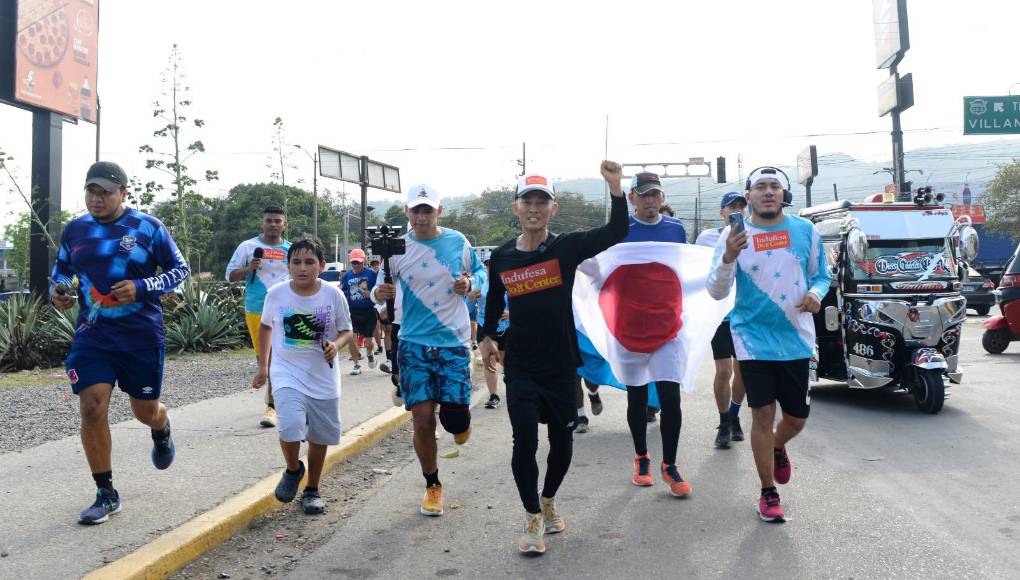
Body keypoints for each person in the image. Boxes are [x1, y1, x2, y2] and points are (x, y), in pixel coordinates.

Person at [479, 163, 628, 555]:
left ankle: (548, 498)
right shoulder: (503, 257)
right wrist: (487, 336)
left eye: (541, 202)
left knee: (561, 442)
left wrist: (615, 187)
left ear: (553, 209)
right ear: (516, 208)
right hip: (523, 366)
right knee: (524, 439)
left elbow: (617, 232)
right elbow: (494, 302)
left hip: (561, 364)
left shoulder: (567, 247)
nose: (534, 208)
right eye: (527, 200)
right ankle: (532, 516)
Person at [51, 161, 190, 525]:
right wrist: (59, 291)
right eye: (90, 191)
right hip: (93, 335)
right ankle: (106, 494)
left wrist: (142, 287)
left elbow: (180, 270)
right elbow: (61, 269)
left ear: (123, 193)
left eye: (104, 192)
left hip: (140, 337)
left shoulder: (149, 227)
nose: (95, 199)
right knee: (92, 407)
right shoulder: (76, 229)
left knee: (145, 412)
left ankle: (161, 427)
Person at [707, 167, 831, 522]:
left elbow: (822, 274)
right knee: (762, 415)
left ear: (783, 194)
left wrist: (815, 293)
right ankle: (767, 492)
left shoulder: (805, 231)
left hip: (796, 338)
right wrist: (729, 256)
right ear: (748, 196)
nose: (768, 192)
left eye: (775, 186)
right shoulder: (734, 235)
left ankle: (778, 446)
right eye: (760, 186)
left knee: (796, 419)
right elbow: (716, 291)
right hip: (751, 337)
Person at [371, 184, 486, 518]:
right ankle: (432, 485)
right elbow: (377, 293)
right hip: (413, 342)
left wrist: (471, 285)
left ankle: (460, 419)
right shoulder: (395, 249)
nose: (421, 217)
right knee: (421, 419)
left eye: (428, 210)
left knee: (452, 420)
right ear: (406, 211)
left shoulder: (457, 242)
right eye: (415, 210)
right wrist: (380, 293)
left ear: (439, 211)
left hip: (452, 341)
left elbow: (480, 273)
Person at [253, 237, 353, 514]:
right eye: (296, 262)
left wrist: (336, 345)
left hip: (323, 376)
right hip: (286, 373)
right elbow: (265, 328)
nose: (302, 268)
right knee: (290, 426)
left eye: (309, 262)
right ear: (288, 265)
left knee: (319, 436)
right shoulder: (276, 294)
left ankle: (312, 488)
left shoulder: (334, 295)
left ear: (321, 265)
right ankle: (294, 468)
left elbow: (347, 330)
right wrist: (263, 367)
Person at [610, 172, 692, 496]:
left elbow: (683, 268)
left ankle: (669, 465)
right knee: (638, 396)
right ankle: (641, 456)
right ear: (632, 197)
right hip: (629, 327)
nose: (650, 200)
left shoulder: (676, 229)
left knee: (671, 397)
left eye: (655, 194)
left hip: (667, 326)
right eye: (643, 195)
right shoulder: (620, 230)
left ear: (663, 197)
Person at [226, 204, 291, 428]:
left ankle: (273, 406)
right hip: (257, 309)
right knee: (265, 360)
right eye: (269, 220)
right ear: (262, 223)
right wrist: (248, 269)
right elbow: (230, 276)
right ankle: (273, 400)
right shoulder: (248, 247)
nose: (273, 224)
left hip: (286, 311)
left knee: (281, 358)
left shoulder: (292, 250)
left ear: (285, 224)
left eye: (278, 221)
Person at [696, 192, 749, 449]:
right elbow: (696, 269)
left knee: (743, 372)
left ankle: (734, 415)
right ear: (722, 212)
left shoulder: (754, 234)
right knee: (724, 370)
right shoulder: (706, 237)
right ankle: (724, 422)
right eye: (732, 206)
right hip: (720, 315)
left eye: (741, 205)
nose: (737, 209)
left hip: (746, 313)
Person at [472, 262, 509, 410]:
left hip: (506, 326)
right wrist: (470, 296)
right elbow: (467, 301)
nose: (490, 267)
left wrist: (510, 313)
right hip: (485, 325)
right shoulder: (480, 283)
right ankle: (494, 395)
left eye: (493, 264)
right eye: (487, 264)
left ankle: (512, 379)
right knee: (490, 359)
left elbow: (520, 302)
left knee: (505, 361)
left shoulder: (508, 280)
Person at [341, 248, 379, 375]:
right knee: (352, 338)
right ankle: (356, 365)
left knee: (369, 343)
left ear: (364, 261)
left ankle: (370, 354)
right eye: (353, 262)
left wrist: (373, 293)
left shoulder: (372, 274)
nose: (356, 265)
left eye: (358, 262)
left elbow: (379, 288)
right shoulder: (347, 276)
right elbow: (344, 292)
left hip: (369, 311)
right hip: (353, 311)